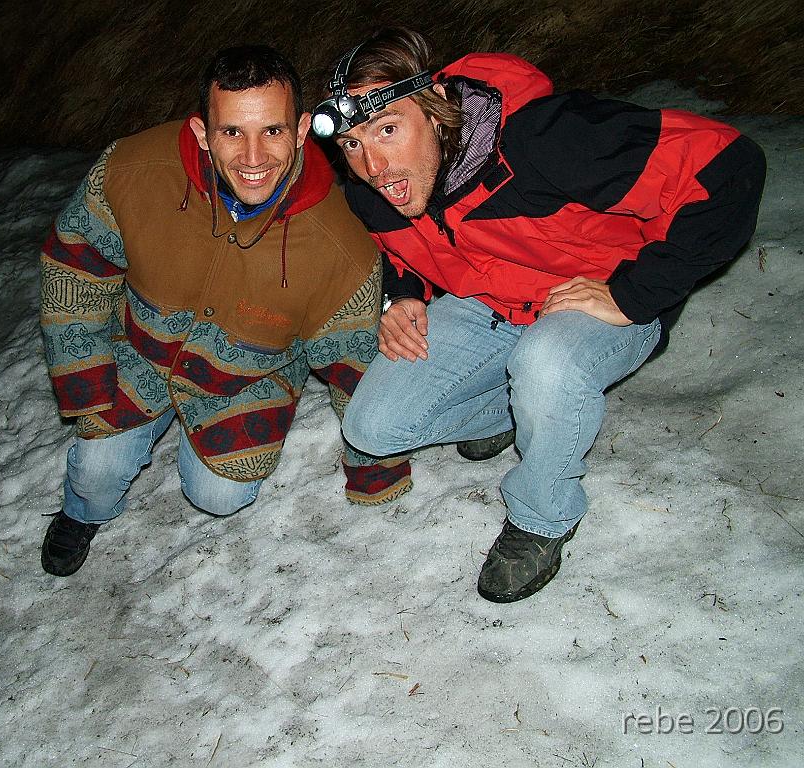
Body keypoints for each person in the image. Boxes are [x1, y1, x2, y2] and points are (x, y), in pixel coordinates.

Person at [314, 27, 765, 602]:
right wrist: (401, 295)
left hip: (596, 299)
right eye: (351, 144)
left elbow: (729, 166)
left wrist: (634, 292)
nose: (373, 165)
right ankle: (515, 411)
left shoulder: (546, 139)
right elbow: (399, 248)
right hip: (491, 302)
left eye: (387, 129)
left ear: (435, 106)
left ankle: (542, 515)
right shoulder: (375, 189)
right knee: (373, 427)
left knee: (547, 364)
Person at [38, 45, 412, 576]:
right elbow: (74, 265)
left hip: (247, 377)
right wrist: (85, 376)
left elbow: (354, 363)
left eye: (273, 131)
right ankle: (80, 514)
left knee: (218, 495)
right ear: (201, 132)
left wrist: (374, 471)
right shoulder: (131, 169)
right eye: (232, 131)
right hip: (138, 349)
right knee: (96, 473)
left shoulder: (340, 245)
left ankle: (257, 399)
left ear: (301, 130)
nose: (254, 157)